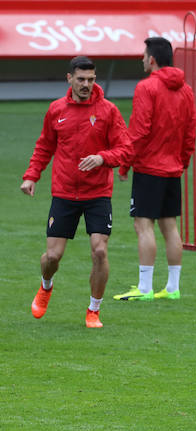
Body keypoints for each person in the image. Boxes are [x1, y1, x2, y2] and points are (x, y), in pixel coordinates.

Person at [21, 56, 132, 329]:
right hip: (64, 193)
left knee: (99, 251)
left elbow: (126, 149)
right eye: (81, 79)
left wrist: (103, 158)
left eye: (91, 79)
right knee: (52, 258)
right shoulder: (56, 110)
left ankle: (93, 310)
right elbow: (45, 146)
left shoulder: (108, 111)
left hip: (97, 194)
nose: (86, 85)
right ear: (69, 78)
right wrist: (31, 176)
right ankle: (46, 286)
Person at [114, 37, 196, 301]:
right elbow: (189, 132)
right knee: (170, 226)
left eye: (143, 55)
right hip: (173, 169)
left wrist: (125, 162)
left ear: (152, 60)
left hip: (149, 168)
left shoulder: (146, 87)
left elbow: (139, 131)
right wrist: (182, 162)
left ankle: (145, 288)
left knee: (143, 225)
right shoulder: (186, 90)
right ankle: (173, 288)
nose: (141, 59)